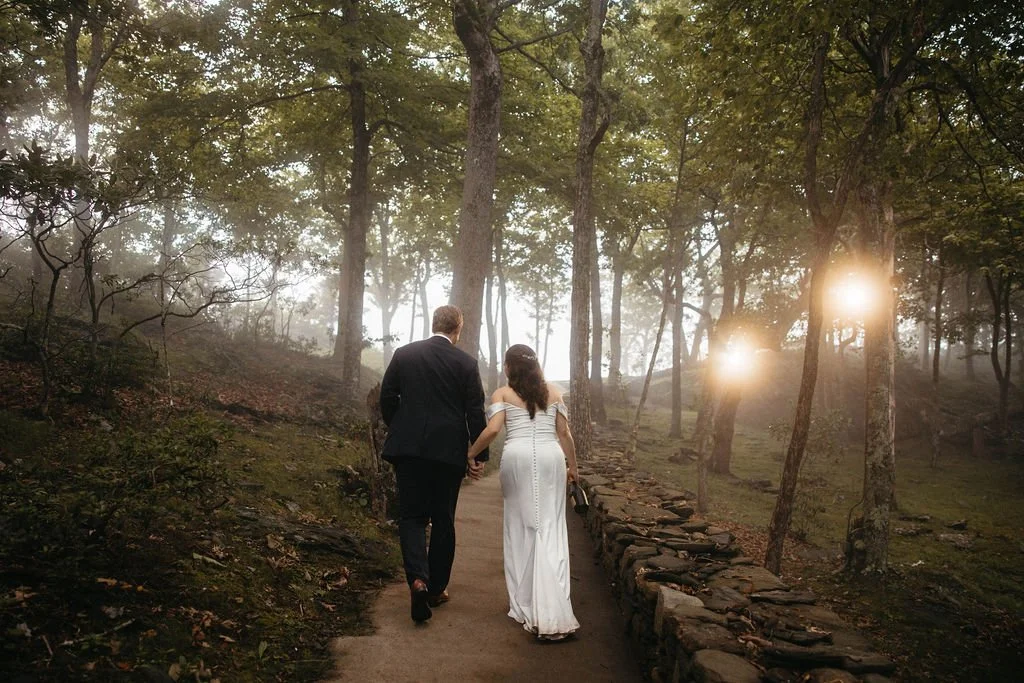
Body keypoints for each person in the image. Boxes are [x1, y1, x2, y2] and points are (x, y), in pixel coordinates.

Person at [380, 305, 488, 623]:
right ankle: (437, 588)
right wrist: (478, 455)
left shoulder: (405, 354)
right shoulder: (466, 363)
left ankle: (418, 580)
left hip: (409, 450)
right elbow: (475, 411)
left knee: (412, 517)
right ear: (458, 328)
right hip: (448, 454)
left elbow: (388, 397)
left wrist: (399, 428)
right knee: (443, 519)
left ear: (434, 324)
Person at [466, 344, 581, 641]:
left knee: (520, 526)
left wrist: (470, 453)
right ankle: (554, 600)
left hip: (516, 457)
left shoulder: (502, 394)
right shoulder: (554, 392)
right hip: (550, 457)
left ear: (508, 367)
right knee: (550, 526)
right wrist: (573, 467)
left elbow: (492, 431)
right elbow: (564, 434)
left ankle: (525, 601)